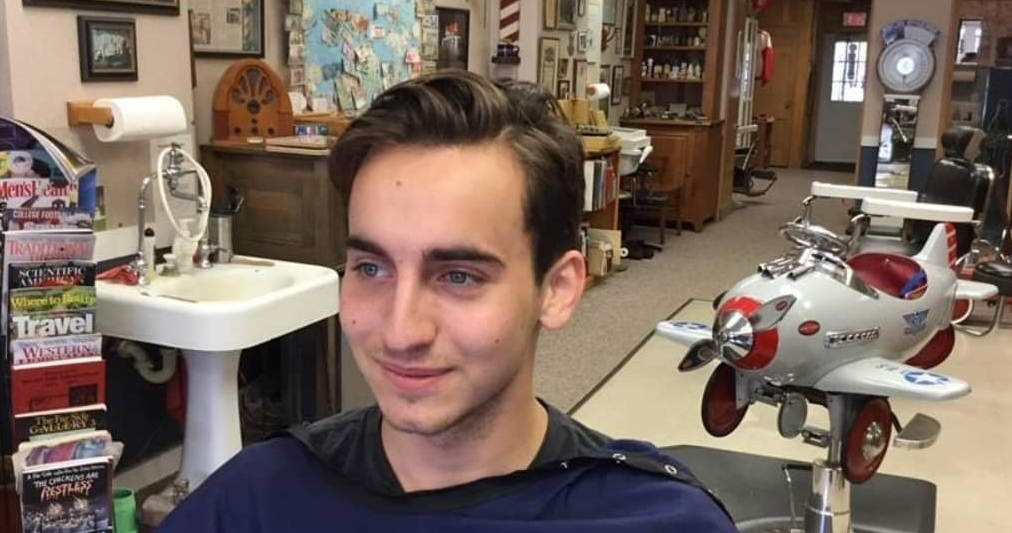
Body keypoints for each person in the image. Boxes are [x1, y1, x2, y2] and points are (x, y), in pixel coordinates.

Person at [156, 71, 736, 532]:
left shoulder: (656, 519)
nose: (400, 331)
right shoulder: (258, 500)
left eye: (458, 276)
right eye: (371, 268)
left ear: (557, 289)